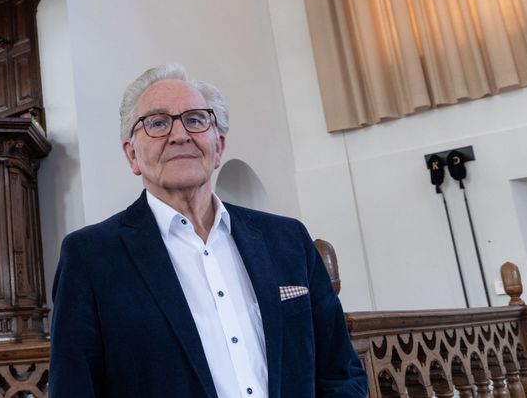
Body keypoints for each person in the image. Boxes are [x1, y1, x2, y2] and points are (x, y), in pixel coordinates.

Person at [49, 64, 367, 397]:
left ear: (219, 146)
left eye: (196, 119)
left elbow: (341, 372)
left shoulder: (288, 239)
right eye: (157, 123)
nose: (180, 134)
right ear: (132, 155)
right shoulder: (90, 257)